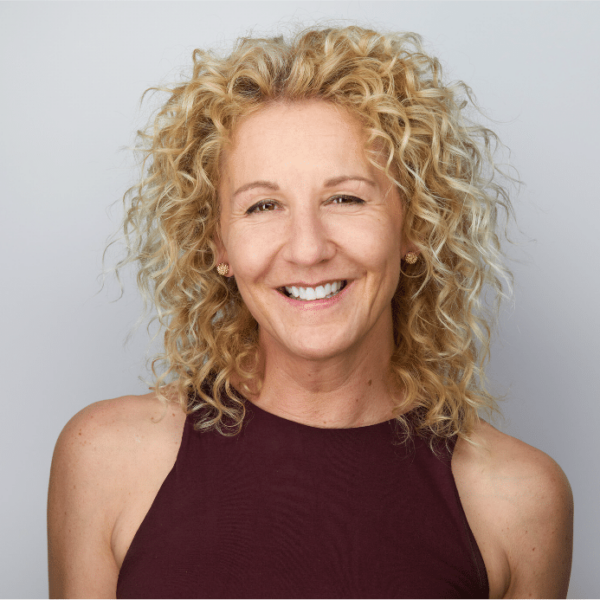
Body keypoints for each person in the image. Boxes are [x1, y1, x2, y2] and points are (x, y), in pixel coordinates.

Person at [47, 25, 573, 599]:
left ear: (415, 225)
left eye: (345, 198)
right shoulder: (105, 457)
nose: (307, 249)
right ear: (219, 246)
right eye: (263, 205)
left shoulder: (517, 500)